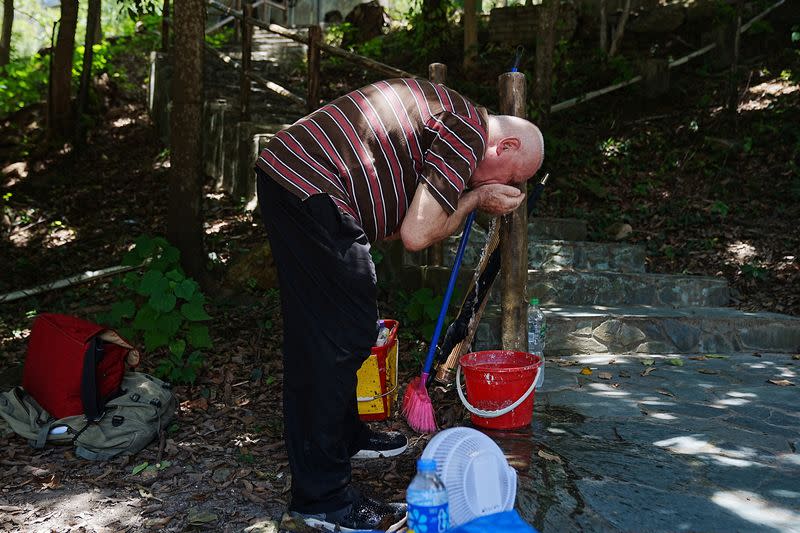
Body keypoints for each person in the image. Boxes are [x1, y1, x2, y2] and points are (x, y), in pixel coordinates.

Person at [255, 78, 544, 531]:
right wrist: (476, 198)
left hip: (297, 180)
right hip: (309, 187)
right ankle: (322, 499)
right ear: (504, 146)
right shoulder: (468, 132)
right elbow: (417, 235)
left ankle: (345, 437)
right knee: (334, 339)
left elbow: (401, 222)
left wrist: (467, 198)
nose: (507, 188)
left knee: (337, 333)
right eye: (512, 179)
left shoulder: (451, 117)